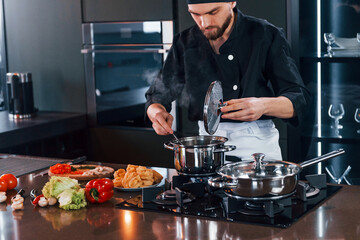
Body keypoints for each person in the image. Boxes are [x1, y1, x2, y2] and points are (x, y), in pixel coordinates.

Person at [145, 0, 310, 161]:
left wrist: (262, 106)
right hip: (206, 148)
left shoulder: (265, 34)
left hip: (257, 147)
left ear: (232, 2)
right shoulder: (185, 41)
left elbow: (299, 99)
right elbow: (158, 94)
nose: (204, 22)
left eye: (213, 12)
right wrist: (156, 113)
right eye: (196, 14)